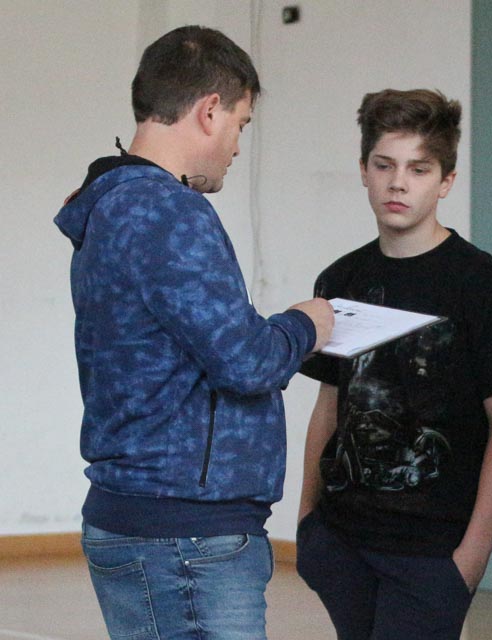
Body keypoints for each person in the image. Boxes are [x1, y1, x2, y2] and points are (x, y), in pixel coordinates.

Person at [53, 26, 335, 640]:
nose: (236, 146)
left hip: (148, 519)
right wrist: (304, 324)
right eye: (240, 124)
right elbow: (246, 361)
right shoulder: (168, 210)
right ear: (209, 111)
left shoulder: (112, 203)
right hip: (183, 533)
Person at [296, 88, 492, 640]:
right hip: (342, 540)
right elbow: (330, 402)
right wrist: (307, 520)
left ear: (446, 181)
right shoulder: (341, 278)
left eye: (418, 169)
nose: (398, 183)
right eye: (384, 165)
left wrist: (472, 556)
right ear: (364, 170)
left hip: (433, 550)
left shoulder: (480, 283)